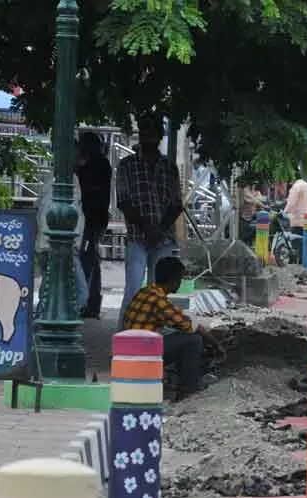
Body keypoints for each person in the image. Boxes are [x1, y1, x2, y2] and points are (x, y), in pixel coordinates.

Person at [116, 113, 183, 330]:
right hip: (138, 236)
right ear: (141, 135)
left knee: (160, 295)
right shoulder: (127, 165)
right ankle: (124, 340)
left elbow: (176, 204)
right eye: (146, 132)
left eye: (153, 133)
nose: (150, 137)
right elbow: (124, 202)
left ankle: (155, 342)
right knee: (133, 292)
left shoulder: (169, 167)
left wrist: (158, 230)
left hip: (163, 238)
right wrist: (148, 229)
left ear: (160, 136)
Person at [123, 257, 225, 399]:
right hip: (142, 354)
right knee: (193, 341)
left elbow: (174, 319)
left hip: (127, 350)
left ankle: (176, 380)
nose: (180, 283)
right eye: (180, 279)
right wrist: (216, 344)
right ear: (173, 279)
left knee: (179, 336)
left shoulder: (145, 292)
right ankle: (188, 390)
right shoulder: (158, 299)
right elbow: (189, 326)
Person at [76, 131, 112, 318]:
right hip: (94, 219)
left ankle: (86, 302)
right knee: (91, 259)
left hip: (91, 219)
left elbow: (87, 189)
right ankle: (92, 302)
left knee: (86, 260)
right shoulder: (100, 164)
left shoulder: (97, 165)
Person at [283, 179, 307, 260]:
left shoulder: (296, 187)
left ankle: (294, 261)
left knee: (296, 244)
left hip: (297, 220)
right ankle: (303, 261)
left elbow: (291, 203)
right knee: (305, 243)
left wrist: (284, 213)